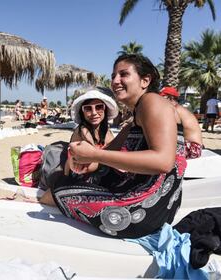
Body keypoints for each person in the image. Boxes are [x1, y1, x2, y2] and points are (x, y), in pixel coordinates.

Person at [39, 54, 186, 238]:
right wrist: (83, 159)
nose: (115, 81)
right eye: (113, 76)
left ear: (145, 80)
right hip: (164, 206)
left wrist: (94, 155)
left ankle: (36, 203)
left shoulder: (152, 102)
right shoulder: (138, 114)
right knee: (95, 175)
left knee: (62, 187)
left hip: (145, 210)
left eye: (123, 74)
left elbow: (163, 161)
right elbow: (106, 153)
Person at [64, 87, 118, 175]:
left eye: (99, 107)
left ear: (105, 109)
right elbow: (78, 166)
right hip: (79, 177)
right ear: (83, 112)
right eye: (88, 108)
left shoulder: (106, 131)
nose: (94, 113)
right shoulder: (82, 130)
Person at [160, 86, 203, 159]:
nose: (159, 100)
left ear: (171, 98)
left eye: (162, 97)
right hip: (194, 147)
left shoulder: (176, 110)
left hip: (193, 148)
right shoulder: (179, 108)